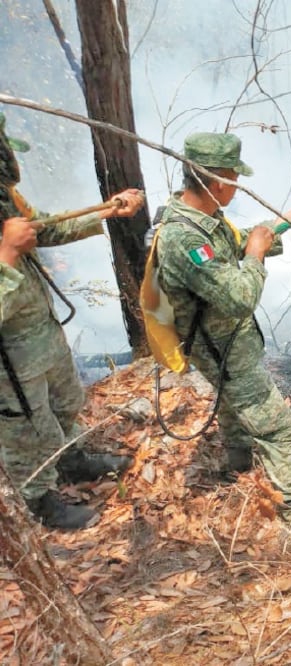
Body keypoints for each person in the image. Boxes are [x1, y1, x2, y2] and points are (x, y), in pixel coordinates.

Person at [152, 132, 291, 558]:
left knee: (229, 404)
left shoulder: (198, 214)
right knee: (282, 431)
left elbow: (236, 243)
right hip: (222, 347)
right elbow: (239, 294)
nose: (237, 184)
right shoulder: (185, 239)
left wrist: (283, 224)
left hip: (223, 346)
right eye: (234, 177)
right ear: (218, 181)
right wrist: (257, 253)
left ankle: (236, 461)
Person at [0, 112, 143, 529]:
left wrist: (106, 211)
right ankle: (38, 500)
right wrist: (7, 256)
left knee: (64, 404)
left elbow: (43, 227)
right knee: (26, 430)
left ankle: (71, 460)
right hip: (8, 357)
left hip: (40, 331)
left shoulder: (5, 198)